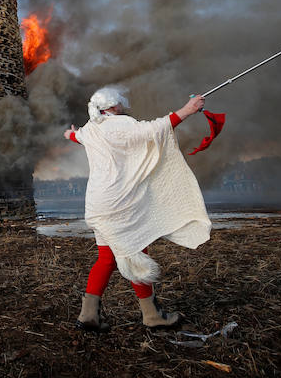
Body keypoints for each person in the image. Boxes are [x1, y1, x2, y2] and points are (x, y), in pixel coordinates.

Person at [64, 85, 211, 333]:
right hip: (123, 205)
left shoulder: (90, 129)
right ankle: (152, 315)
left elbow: (76, 137)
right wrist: (188, 109)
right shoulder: (123, 124)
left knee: (107, 258)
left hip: (99, 206)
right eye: (120, 103)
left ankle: (88, 315)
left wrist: (69, 134)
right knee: (135, 252)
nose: (123, 106)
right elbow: (155, 129)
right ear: (113, 106)